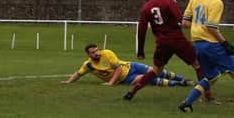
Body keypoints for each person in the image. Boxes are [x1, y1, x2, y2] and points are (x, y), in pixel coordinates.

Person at [123, 0, 209, 100]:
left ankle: (133, 90)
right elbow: (180, 20)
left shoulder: (146, 7)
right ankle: (208, 95)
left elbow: (141, 30)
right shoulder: (169, 1)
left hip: (162, 43)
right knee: (197, 64)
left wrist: (140, 51)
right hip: (177, 39)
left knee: (156, 70)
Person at [61, 43, 191, 87]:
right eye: (93, 52)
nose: (97, 53)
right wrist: (68, 82)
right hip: (126, 79)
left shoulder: (107, 53)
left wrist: (110, 83)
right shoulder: (88, 65)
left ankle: (182, 78)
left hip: (131, 66)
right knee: (150, 80)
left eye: (97, 50)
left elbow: (117, 69)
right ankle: (179, 84)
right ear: (89, 55)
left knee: (156, 70)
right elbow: (78, 74)